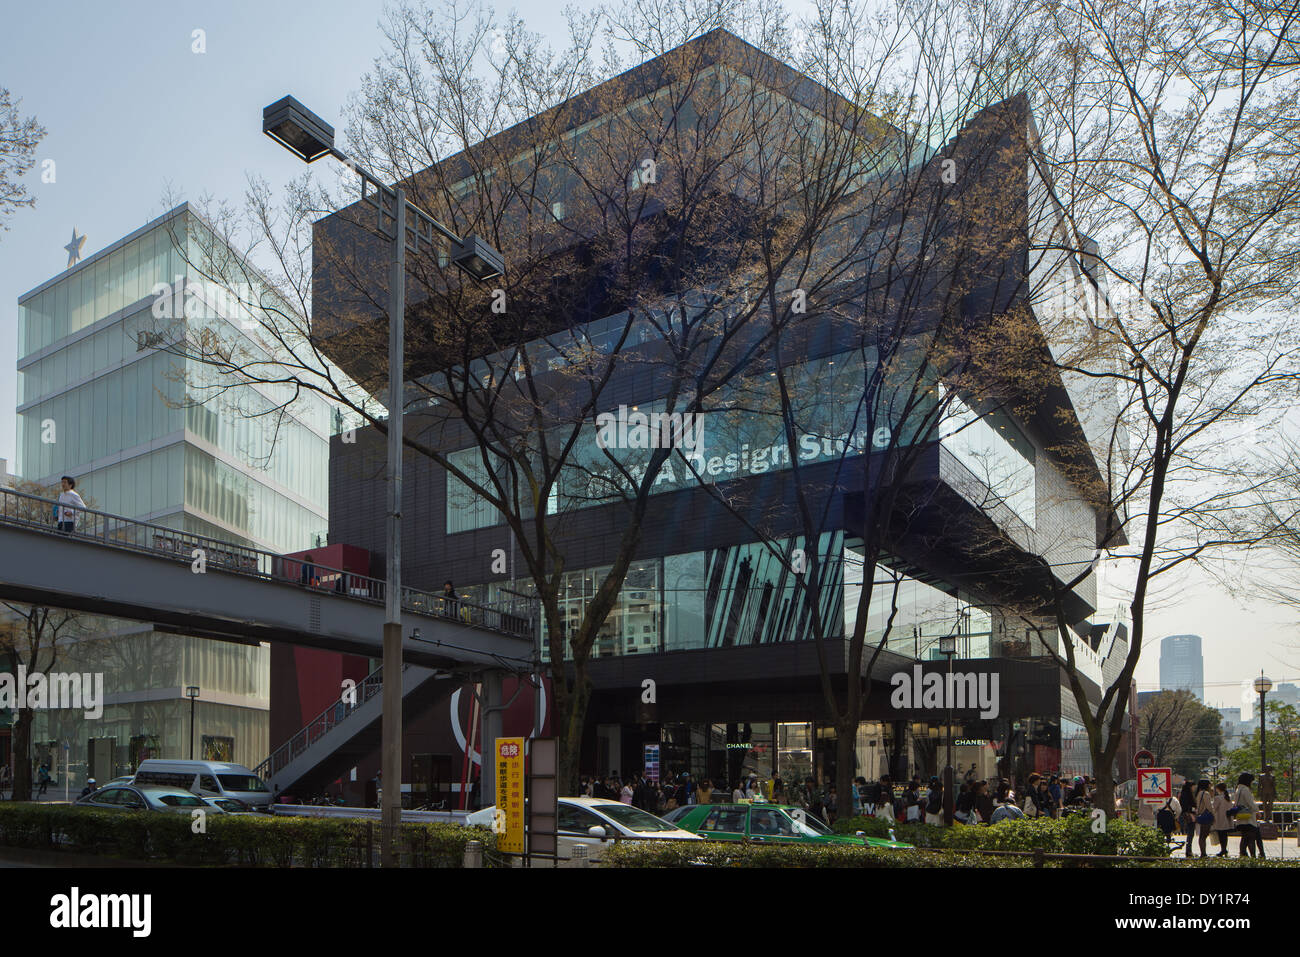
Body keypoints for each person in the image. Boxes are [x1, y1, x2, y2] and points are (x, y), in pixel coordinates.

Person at [1233, 772, 1265, 858]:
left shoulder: (1238, 789)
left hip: (1241, 817)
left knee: (1244, 837)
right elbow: (1251, 804)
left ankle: (1243, 855)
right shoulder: (1245, 790)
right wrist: (1257, 811)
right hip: (1248, 817)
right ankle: (1252, 856)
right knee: (1251, 838)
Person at [1192, 778, 1214, 858]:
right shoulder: (1206, 793)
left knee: (1202, 836)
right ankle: (1203, 853)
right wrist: (1213, 815)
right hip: (1206, 815)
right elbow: (1209, 806)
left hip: (1201, 815)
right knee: (1203, 835)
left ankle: (1203, 852)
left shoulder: (1199, 793)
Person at [1211, 782, 1232, 857]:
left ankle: (1223, 849)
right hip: (1227, 818)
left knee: (1220, 834)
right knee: (1225, 835)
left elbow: (1214, 808)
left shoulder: (1217, 798)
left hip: (1219, 818)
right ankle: (1224, 849)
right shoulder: (1228, 797)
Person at [1178, 780, 1197, 856]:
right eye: (1193, 787)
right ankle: (1188, 851)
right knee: (1190, 833)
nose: (1194, 788)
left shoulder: (1183, 794)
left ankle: (1189, 850)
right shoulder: (1187, 795)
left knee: (1190, 833)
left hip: (1185, 815)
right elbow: (1186, 806)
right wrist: (1193, 809)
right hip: (1189, 815)